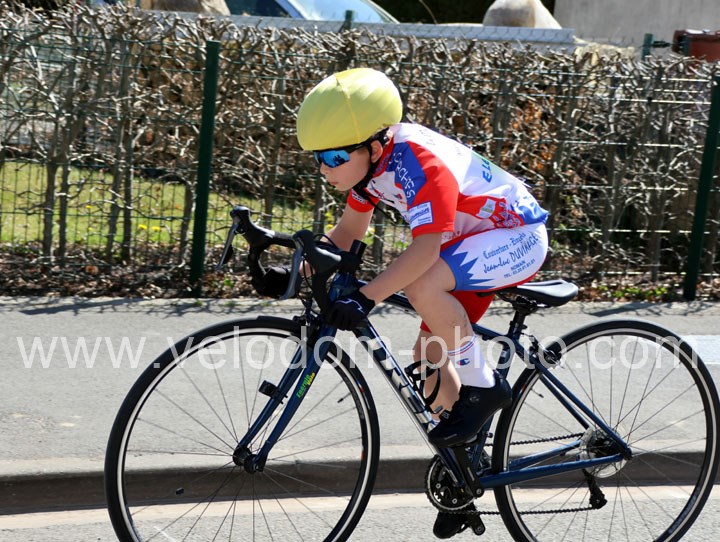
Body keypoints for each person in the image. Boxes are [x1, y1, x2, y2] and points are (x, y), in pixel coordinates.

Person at [252, 67, 549, 539]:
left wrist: (366, 297)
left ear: (374, 145)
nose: (325, 168)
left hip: (517, 236)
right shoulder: (371, 168)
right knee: (428, 357)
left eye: (334, 156)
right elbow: (348, 233)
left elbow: (427, 248)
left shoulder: (417, 160)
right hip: (467, 245)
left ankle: (485, 387)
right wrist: (290, 274)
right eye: (318, 158)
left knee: (421, 286)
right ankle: (463, 473)